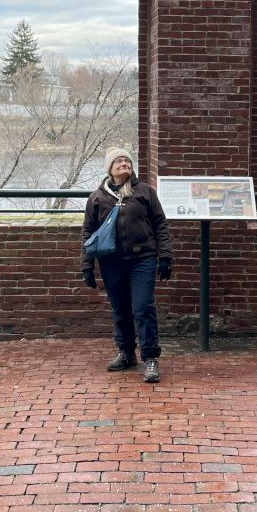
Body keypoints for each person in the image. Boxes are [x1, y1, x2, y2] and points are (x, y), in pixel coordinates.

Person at [81, 147, 173, 383]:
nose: (124, 163)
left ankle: (150, 358)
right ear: (110, 168)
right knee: (120, 308)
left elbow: (160, 225)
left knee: (142, 308)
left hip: (142, 259)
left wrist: (165, 256)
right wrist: (87, 265)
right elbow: (88, 233)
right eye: (118, 161)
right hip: (111, 262)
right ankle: (126, 353)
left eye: (127, 160)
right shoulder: (97, 198)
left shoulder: (145, 192)